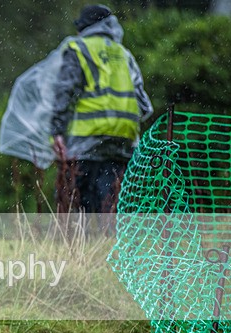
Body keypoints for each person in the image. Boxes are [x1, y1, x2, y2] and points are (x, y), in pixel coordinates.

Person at [50, 4, 152, 213]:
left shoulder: (79, 48)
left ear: (86, 27)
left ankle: (81, 243)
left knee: (77, 200)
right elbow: (143, 104)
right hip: (123, 139)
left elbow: (65, 92)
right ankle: (107, 242)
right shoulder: (124, 55)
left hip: (88, 136)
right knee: (111, 197)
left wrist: (57, 131)